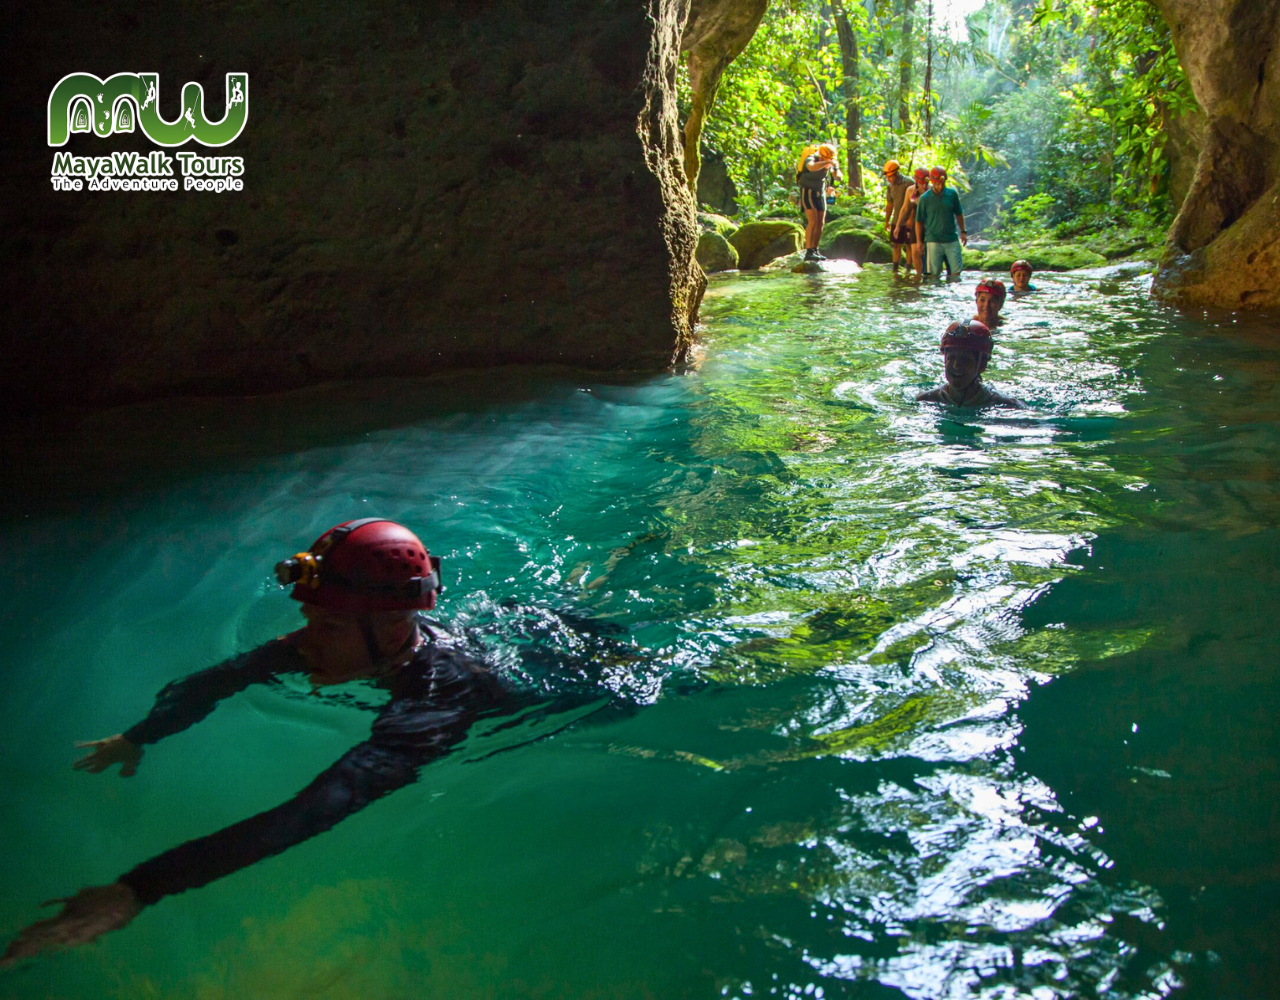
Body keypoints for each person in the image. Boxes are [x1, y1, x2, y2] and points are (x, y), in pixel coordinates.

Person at [0, 518, 616, 966]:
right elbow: (220, 677)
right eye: (309, 620)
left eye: (330, 627)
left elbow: (309, 813)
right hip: (507, 629)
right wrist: (139, 736)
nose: (306, 642)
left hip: (577, 683)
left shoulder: (435, 703)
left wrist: (140, 888)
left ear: (392, 626)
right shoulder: (346, 640)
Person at [917, 320, 1023, 408]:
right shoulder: (927, 400)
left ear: (981, 365)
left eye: (965, 360)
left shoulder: (1001, 404)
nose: (956, 365)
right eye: (951, 357)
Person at [914, 166, 967, 279]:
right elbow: (919, 221)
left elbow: (959, 213)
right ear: (932, 182)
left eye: (942, 183)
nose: (940, 186)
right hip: (932, 240)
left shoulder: (952, 194)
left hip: (951, 239)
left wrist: (963, 231)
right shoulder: (925, 198)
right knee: (933, 275)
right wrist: (919, 241)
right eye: (937, 183)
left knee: (956, 273)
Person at [797, 142, 841, 263]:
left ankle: (815, 249)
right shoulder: (811, 159)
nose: (825, 160)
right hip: (808, 190)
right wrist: (826, 163)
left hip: (820, 192)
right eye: (824, 157)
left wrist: (835, 170)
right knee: (813, 220)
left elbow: (838, 177)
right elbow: (811, 167)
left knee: (820, 222)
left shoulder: (830, 162)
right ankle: (809, 250)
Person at [895, 166, 929, 277]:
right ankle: (919, 275)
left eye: (925, 182)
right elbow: (904, 208)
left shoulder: (932, 190)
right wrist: (898, 225)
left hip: (930, 225)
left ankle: (928, 275)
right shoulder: (910, 190)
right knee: (915, 253)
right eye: (921, 182)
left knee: (927, 253)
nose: (923, 184)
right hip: (916, 225)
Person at [882, 160, 913, 271]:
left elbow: (915, 203)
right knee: (896, 245)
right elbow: (889, 205)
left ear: (896, 174)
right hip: (896, 221)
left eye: (890, 176)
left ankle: (909, 269)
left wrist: (911, 218)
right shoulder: (890, 187)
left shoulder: (909, 183)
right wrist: (887, 221)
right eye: (887, 177)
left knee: (909, 245)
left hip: (909, 220)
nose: (889, 179)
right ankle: (895, 269)